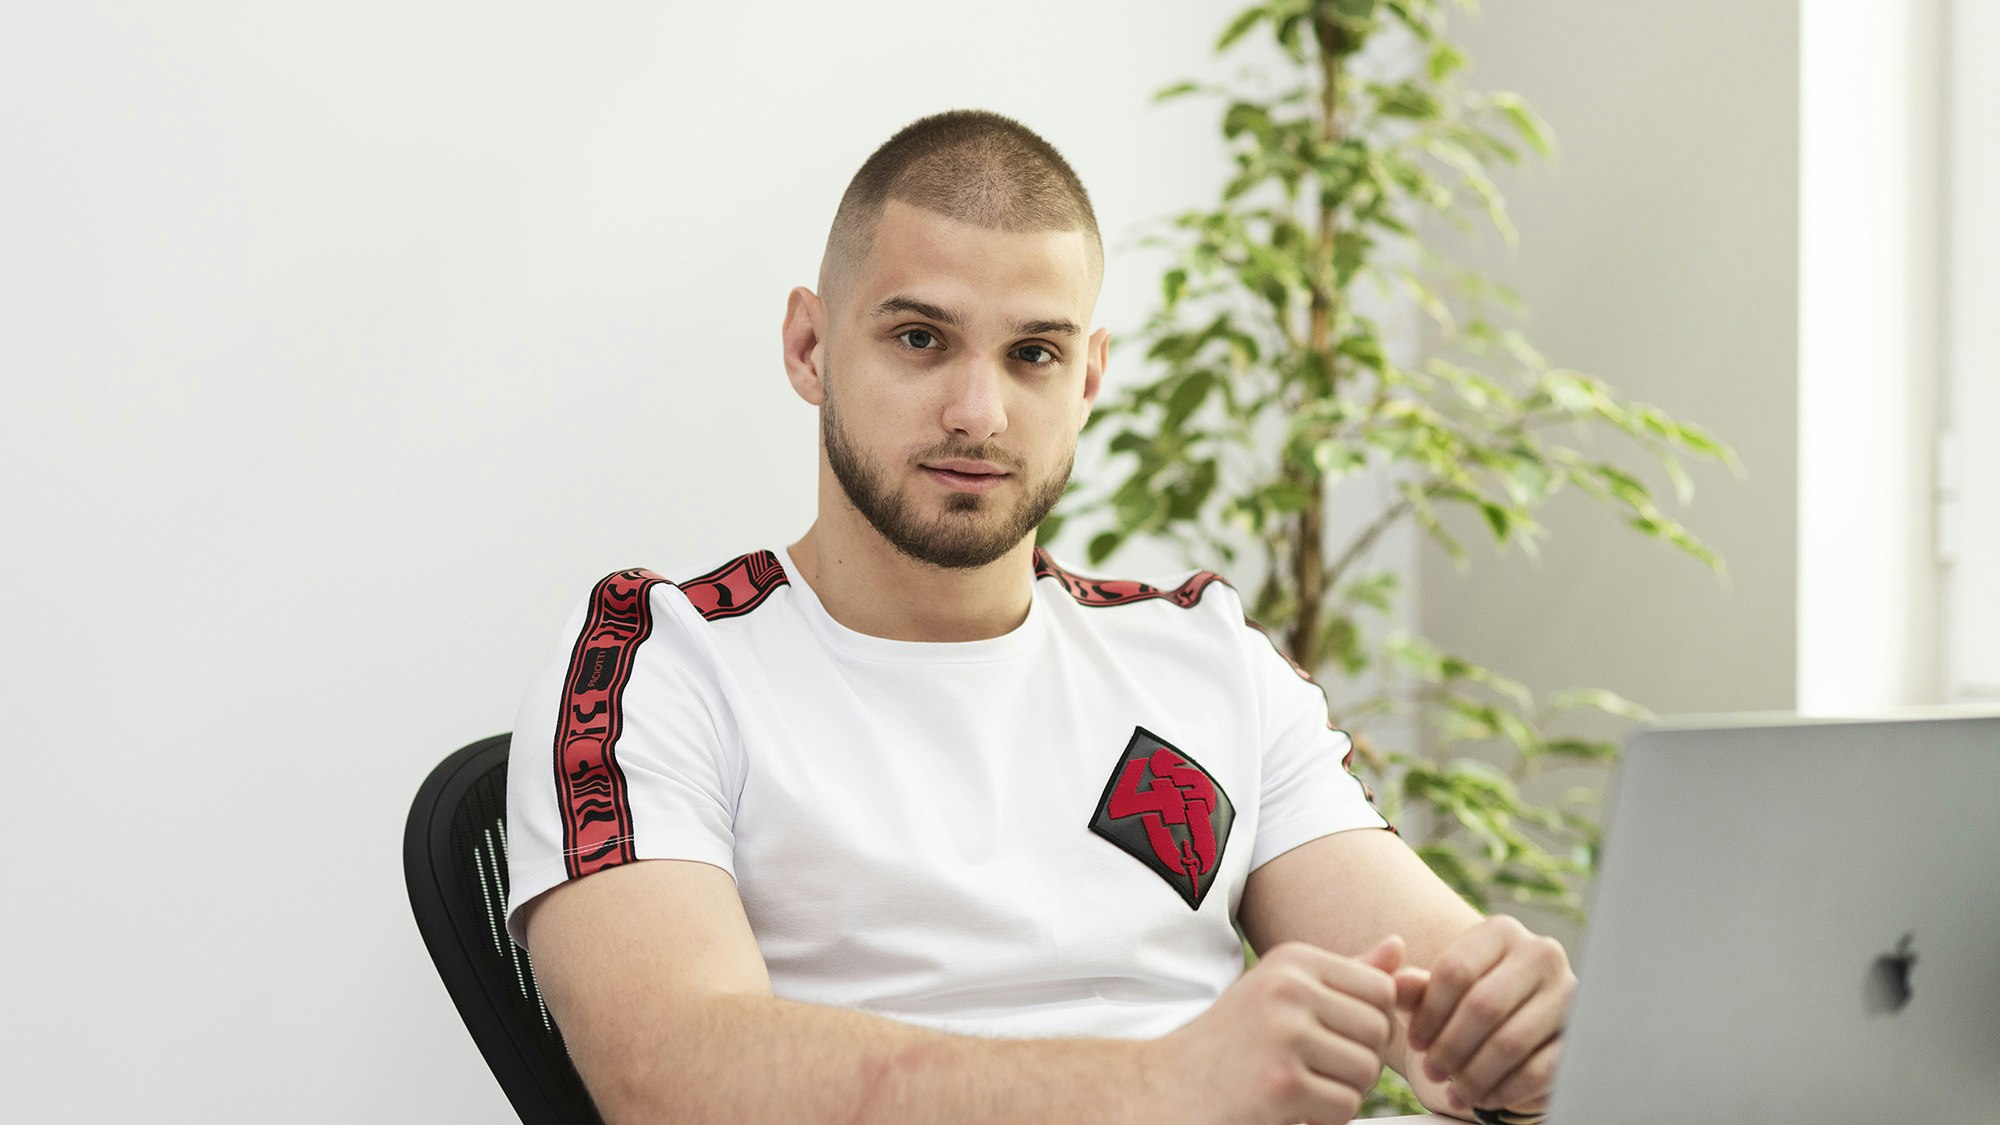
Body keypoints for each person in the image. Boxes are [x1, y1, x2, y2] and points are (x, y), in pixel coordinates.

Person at [505, 109, 1574, 1125]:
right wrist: (1156, 1088)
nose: (977, 413)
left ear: (1088, 378)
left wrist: (1510, 1035)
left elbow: (1439, 998)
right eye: (920, 339)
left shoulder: (1204, 658)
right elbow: (669, 1076)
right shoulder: (660, 657)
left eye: (1033, 354)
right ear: (809, 348)